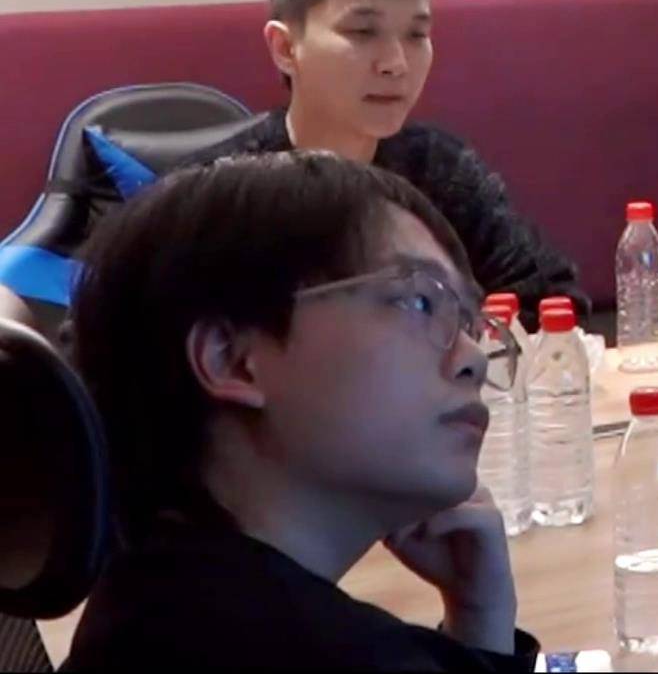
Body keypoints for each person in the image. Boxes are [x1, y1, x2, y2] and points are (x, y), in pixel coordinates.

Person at [62, 152, 535, 670]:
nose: (472, 357)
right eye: (418, 301)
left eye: (468, 322)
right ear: (233, 360)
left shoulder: (150, 606)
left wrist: (480, 623)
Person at [186, 0, 586, 323]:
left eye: (416, 35)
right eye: (363, 32)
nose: (396, 63)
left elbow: (551, 299)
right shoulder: (218, 195)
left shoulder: (438, 167)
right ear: (286, 49)